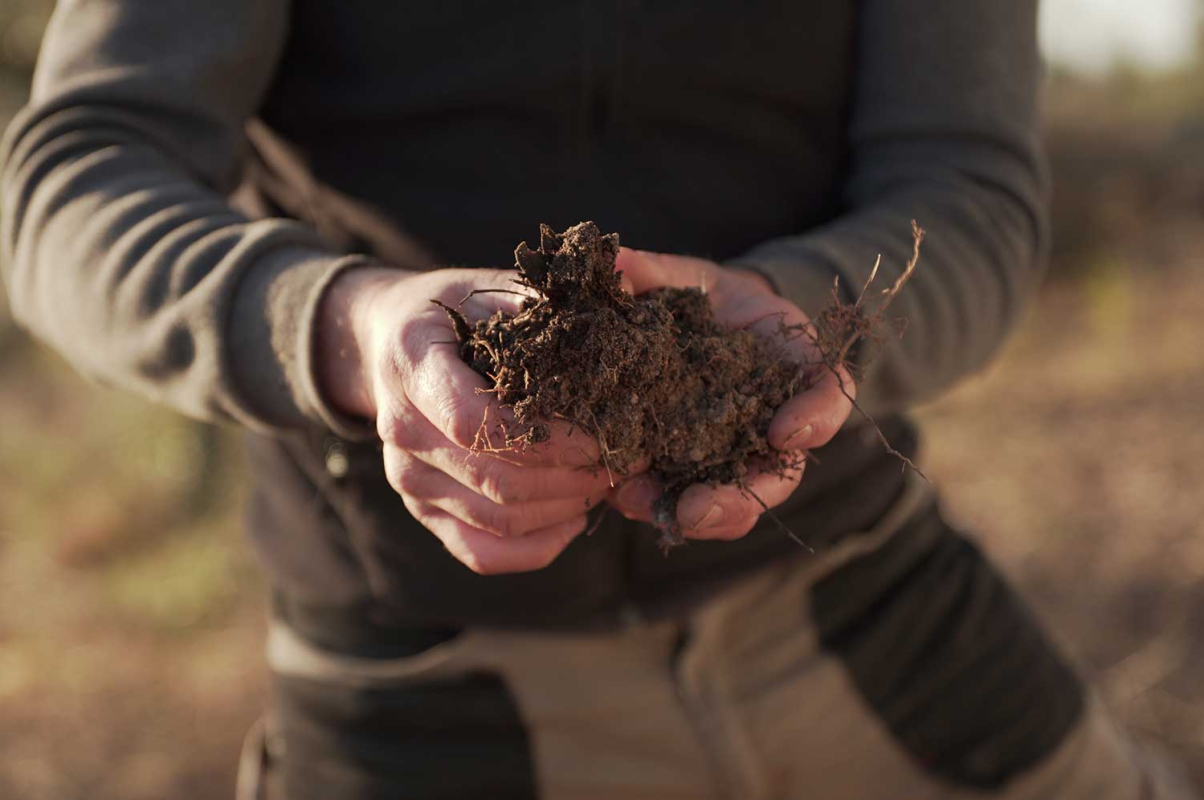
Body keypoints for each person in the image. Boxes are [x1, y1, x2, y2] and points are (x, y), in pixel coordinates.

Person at [1, 1, 1193, 798]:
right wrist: (341, 325)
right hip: (426, 682)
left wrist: (794, 319)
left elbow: (968, 186)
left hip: (870, 611)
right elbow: (74, 183)